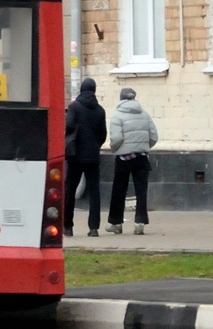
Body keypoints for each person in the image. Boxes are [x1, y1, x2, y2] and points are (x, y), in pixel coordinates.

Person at [106, 87, 159, 235]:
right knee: (141, 191)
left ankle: (116, 223)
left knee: (119, 190)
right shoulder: (145, 115)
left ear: (121, 98)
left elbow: (116, 138)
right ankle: (140, 223)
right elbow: (154, 136)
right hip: (142, 157)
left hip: (123, 158)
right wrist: (144, 147)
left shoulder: (117, 116)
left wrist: (114, 149)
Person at [64, 77, 108, 237]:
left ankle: (68, 226)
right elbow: (103, 134)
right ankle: (94, 228)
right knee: (94, 192)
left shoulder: (74, 107)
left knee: (70, 190)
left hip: (75, 155)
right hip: (93, 156)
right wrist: (95, 146)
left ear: (82, 89)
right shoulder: (100, 110)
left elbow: (68, 126)